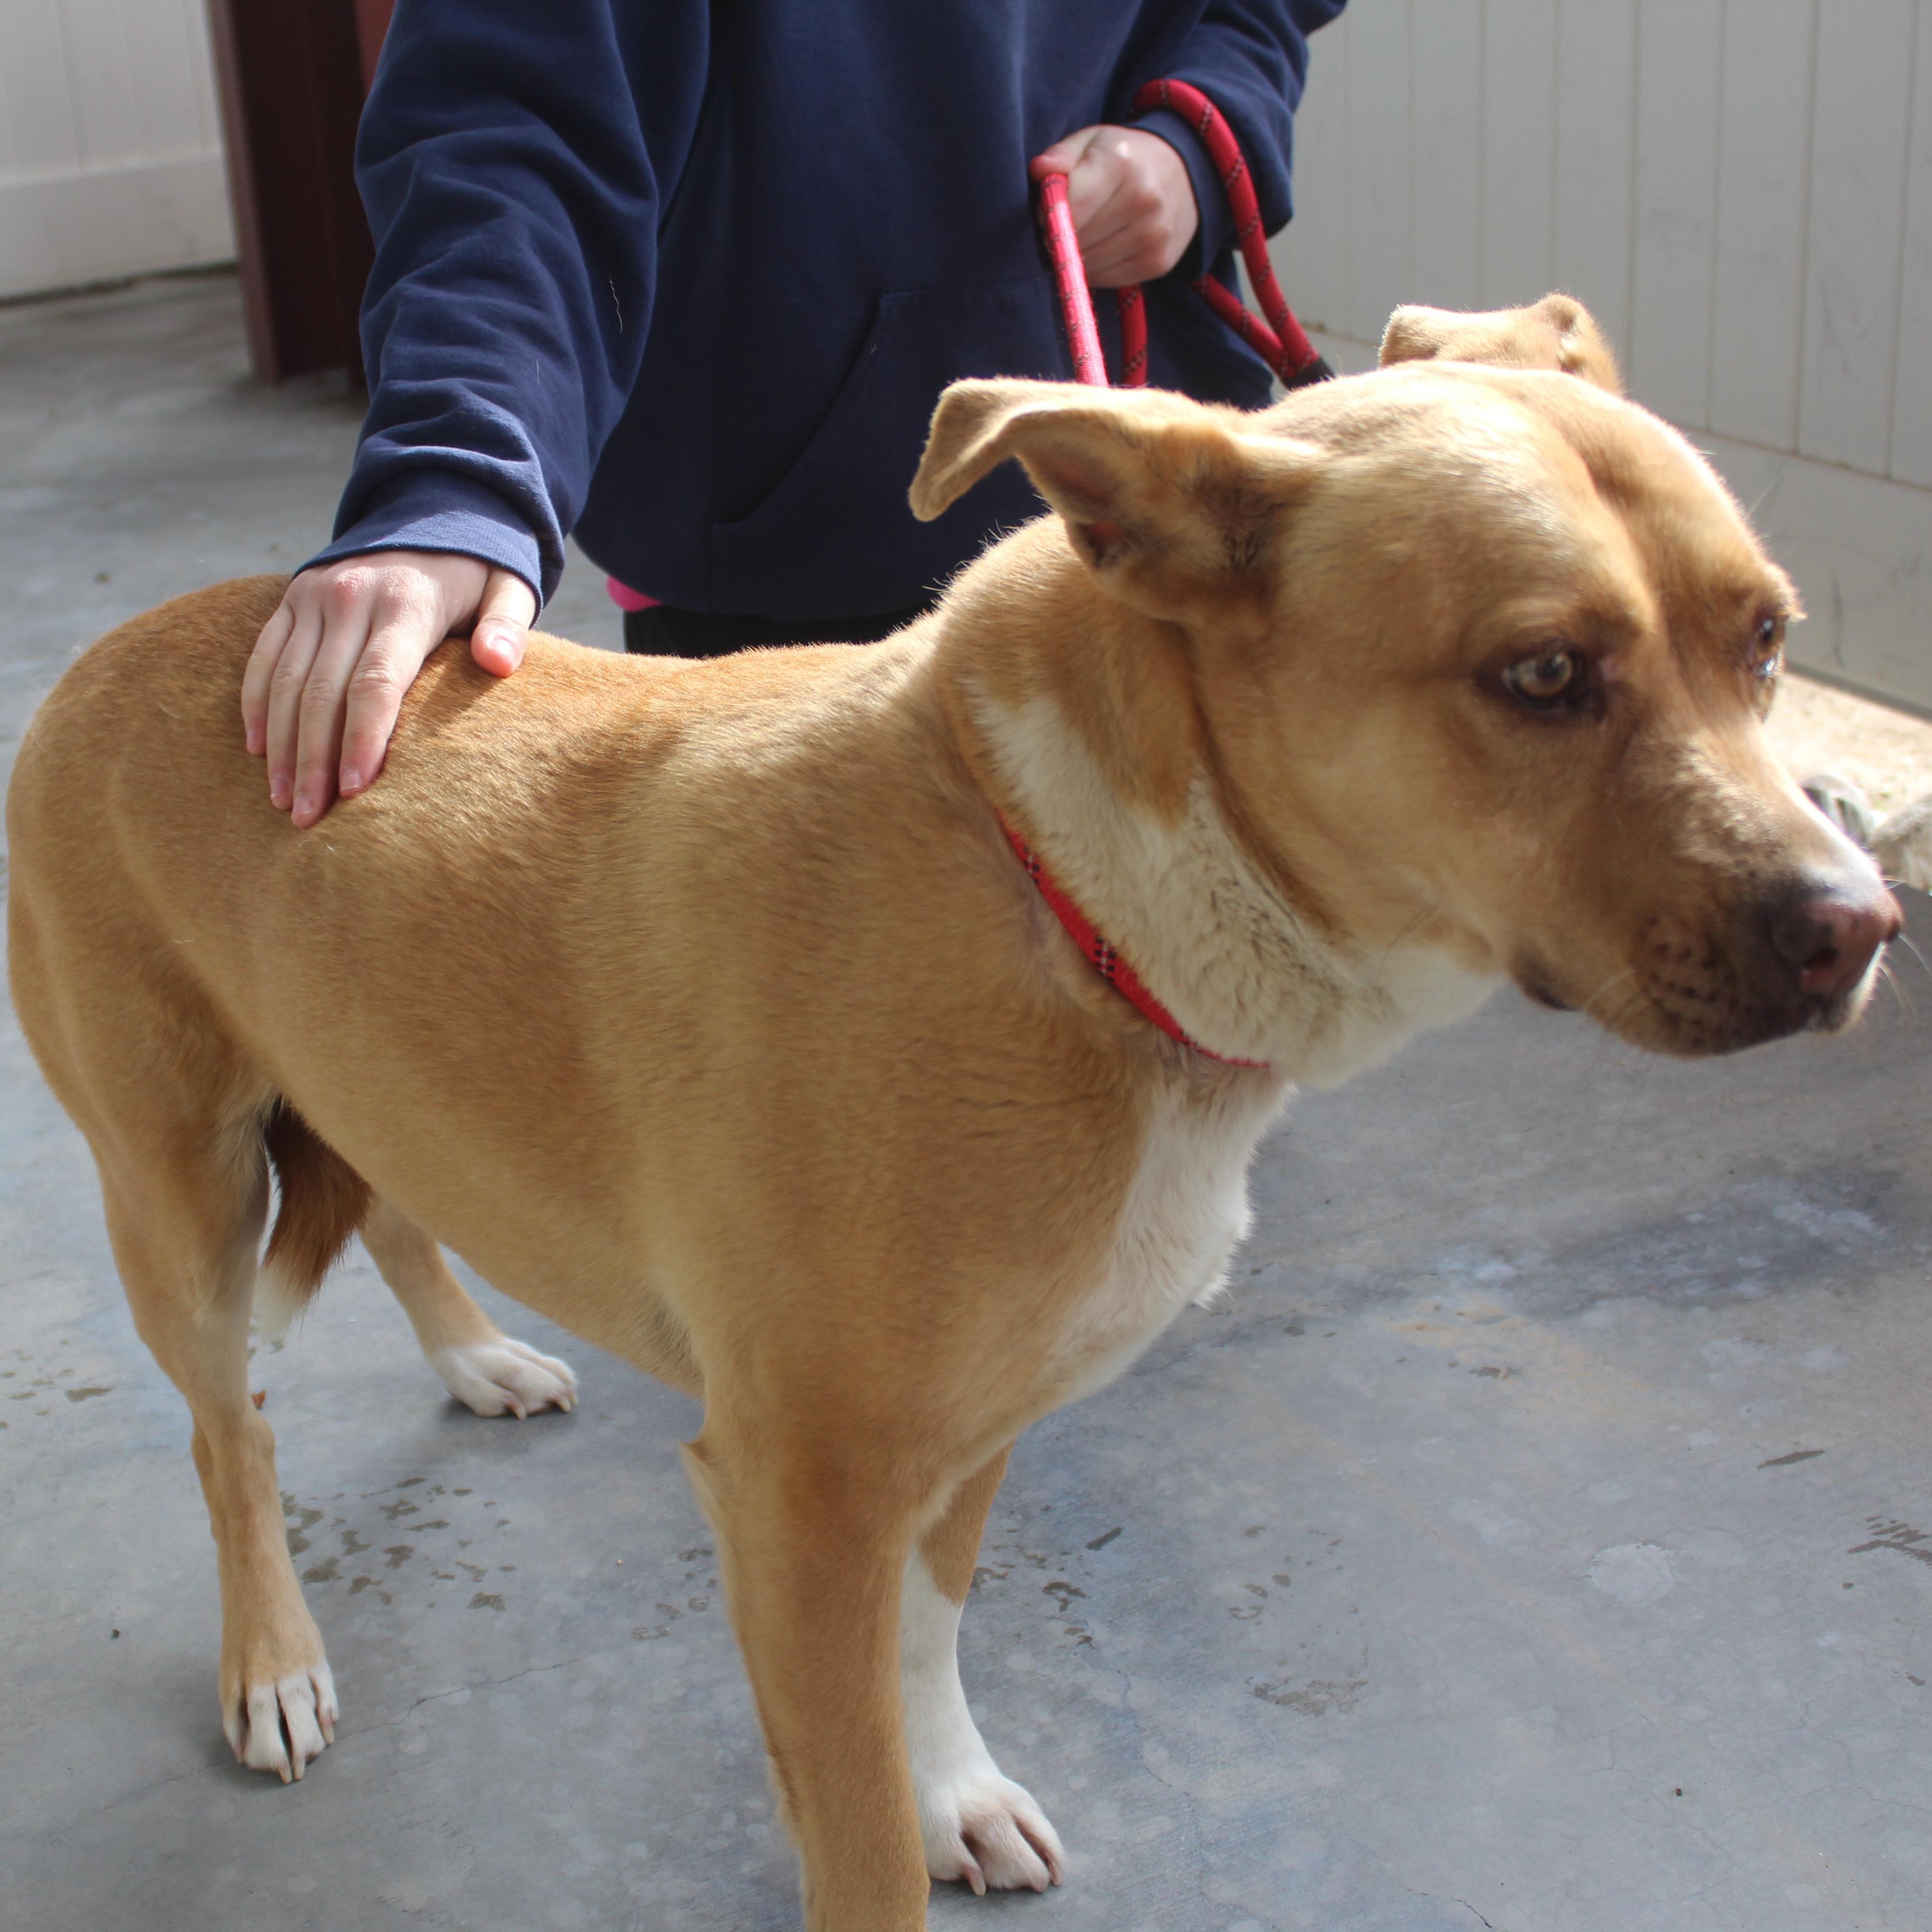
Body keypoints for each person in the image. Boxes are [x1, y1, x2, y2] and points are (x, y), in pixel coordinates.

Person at [243, 0, 1346, 828]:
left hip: (1158, 515)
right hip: (790, 572)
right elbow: (514, 123)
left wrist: (1204, 142)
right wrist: (456, 478)